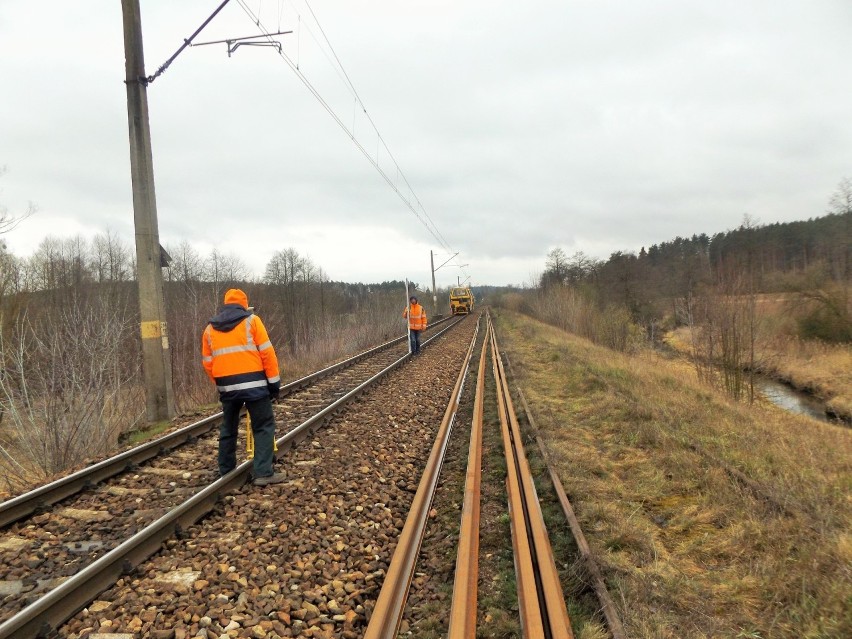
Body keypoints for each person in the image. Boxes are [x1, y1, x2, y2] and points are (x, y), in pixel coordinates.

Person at [202, 288, 286, 486]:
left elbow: (207, 362)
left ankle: (226, 470)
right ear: (244, 304)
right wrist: (274, 385)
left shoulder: (209, 329)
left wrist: (222, 385)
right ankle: (263, 472)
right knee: (263, 426)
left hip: (226, 387)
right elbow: (267, 354)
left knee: (228, 427)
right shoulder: (252, 321)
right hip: (255, 385)